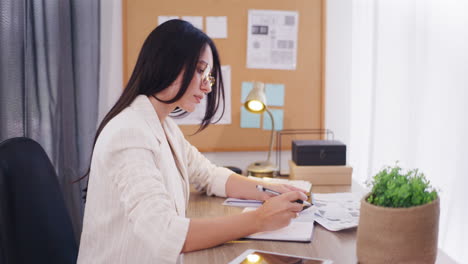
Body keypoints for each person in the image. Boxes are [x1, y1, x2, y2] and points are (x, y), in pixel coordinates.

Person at [77, 20, 308, 264]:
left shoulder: (164, 126)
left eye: (208, 75)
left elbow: (208, 175)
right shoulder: (128, 133)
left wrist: (269, 190)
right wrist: (260, 219)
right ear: (166, 62)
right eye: (200, 71)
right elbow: (166, 234)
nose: (207, 86)